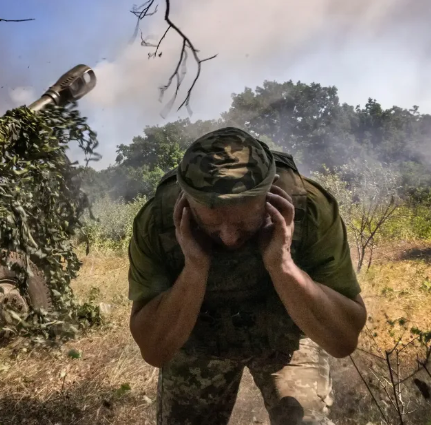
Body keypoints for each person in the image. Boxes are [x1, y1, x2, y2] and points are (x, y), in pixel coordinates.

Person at [128, 127, 367, 425]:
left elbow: (343, 340)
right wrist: (195, 268)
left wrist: (282, 264)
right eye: (213, 225)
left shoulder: (310, 206)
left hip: (285, 331)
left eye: (243, 222)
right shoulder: (158, 221)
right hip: (197, 336)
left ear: (272, 195)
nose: (229, 238)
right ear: (186, 203)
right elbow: (155, 349)